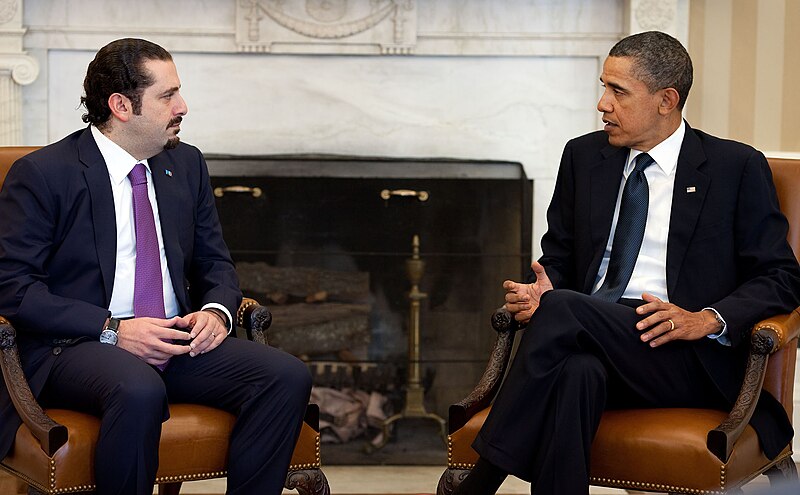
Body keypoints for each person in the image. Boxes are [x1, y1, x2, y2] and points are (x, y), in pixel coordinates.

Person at [454, 31, 800, 494]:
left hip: (682, 354)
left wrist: (705, 320)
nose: (602, 104)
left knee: (563, 311)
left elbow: (782, 276)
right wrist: (544, 286)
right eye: (603, 87)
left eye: (618, 91)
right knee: (576, 370)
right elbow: (559, 255)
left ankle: (481, 482)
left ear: (666, 100)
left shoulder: (734, 167)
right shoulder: (583, 156)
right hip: (593, 336)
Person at [0, 38, 312, 495]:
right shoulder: (45, 174)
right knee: (138, 387)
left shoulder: (185, 164)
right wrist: (114, 329)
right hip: (76, 344)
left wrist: (216, 314)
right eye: (167, 96)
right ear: (122, 105)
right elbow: (14, 289)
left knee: (286, 375)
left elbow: (214, 262)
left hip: (174, 337)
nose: (182, 106)